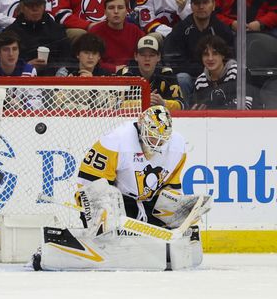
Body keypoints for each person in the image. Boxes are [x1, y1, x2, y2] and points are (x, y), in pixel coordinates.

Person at [32, 105, 209, 271]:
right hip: (118, 202)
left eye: (162, 139)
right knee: (106, 224)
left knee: (176, 217)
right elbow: (89, 182)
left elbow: (171, 185)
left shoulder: (178, 146)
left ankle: (161, 244)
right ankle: (69, 246)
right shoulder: (115, 140)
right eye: (153, 136)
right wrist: (101, 211)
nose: (157, 143)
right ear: (141, 126)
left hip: (146, 204)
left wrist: (174, 210)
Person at [163, 0, 235, 99]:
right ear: (191, 6)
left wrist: (214, 71)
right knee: (182, 78)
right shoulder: (181, 29)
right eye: (197, 3)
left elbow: (231, 57)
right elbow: (173, 61)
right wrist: (201, 70)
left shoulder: (222, 29)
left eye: (205, 2)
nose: (201, 6)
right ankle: (185, 111)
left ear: (213, 5)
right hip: (190, 77)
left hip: (218, 76)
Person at [7, 0, 69, 74]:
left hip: (53, 79)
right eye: (30, 5)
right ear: (22, 8)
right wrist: (26, 66)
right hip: (22, 79)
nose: (35, 9)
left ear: (44, 7)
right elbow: (3, 64)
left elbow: (67, 57)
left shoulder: (56, 29)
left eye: (38, 4)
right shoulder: (11, 32)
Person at [118, 35, 185, 110]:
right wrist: (142, 103)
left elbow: (181, 105)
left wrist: (163, 103)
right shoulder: (125, 74)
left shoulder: (167, 74)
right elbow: (111, 104)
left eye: (152, 55)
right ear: (136, 56)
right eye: (143, 55)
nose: (147, 59)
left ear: (159, 57)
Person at [191, 34, 254, 109]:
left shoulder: (239, 72)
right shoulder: (200, 81)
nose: (210, 58)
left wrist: (213, 112)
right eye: (206, 54)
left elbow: (245, 105)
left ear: (223, 55)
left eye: (215, 53)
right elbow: (197, 111)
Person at [88, 0, 145, 73]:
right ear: (105, 12)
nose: (116, 11)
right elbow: (89, 60)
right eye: (111, 8)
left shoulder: (135, 31)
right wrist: (114, 69)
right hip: (102, 76)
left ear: (126, 11)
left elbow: (145, 56)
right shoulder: (95, 31)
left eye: (120, 7)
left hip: (131, 75)